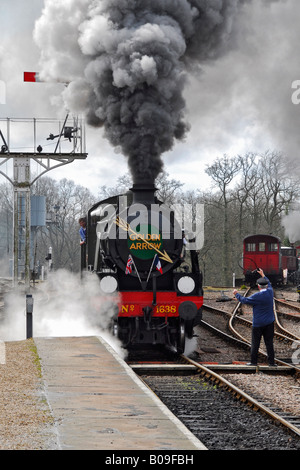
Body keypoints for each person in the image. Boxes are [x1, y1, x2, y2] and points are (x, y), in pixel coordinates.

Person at [233, 268, 276, 366]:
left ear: (258, 286)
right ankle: (272, 363)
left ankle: (253, 362)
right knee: (269, 343)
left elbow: (244, 300)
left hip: (258, 324)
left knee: (255, 343)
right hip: (269, 323)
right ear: (266, 286)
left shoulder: (256, 296)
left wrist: (236, 294)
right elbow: (269, 283)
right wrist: (263, 275)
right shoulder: (270, 292)